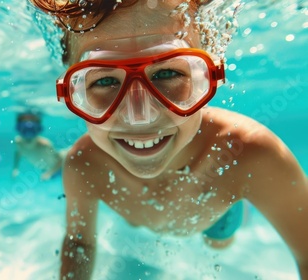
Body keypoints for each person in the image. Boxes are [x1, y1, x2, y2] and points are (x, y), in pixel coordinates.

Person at [29, 0, 308, 279]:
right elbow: (80, 242)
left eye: (167, 73)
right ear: (71, 93)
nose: (141, 117)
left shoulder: (247, 153)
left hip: (216, 215)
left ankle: (233, 213)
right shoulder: (84, 166)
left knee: (219, 242)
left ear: (210, 76)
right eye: (104, 81)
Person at [12, 110, 68, 181]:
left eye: (32, 128)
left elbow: (61, 160)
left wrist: (49, 173)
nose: (28, 133)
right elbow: (18, 153)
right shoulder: (18, 142)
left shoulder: (44, 144)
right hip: (46, 170)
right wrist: (15, 168)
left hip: (60, 168)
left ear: (38, 129)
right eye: (24, 127)